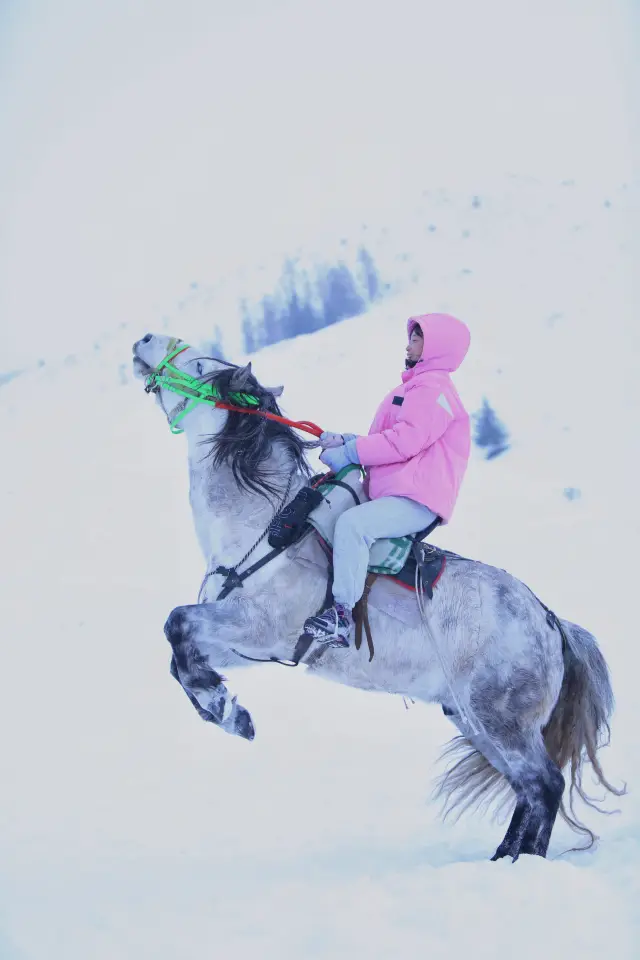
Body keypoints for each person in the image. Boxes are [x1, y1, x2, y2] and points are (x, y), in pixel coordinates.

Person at [304, 312, 471, 647]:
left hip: (416, 499)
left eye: (416, 339)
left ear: (435, 347)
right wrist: (347, 441)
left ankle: (341, 615)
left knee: (352, 524)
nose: (408, 345)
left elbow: (404, 442)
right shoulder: (414, 387)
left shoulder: (433, 390)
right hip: (397, 491)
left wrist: (352, 453)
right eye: (411, 338)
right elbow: (391, 438)